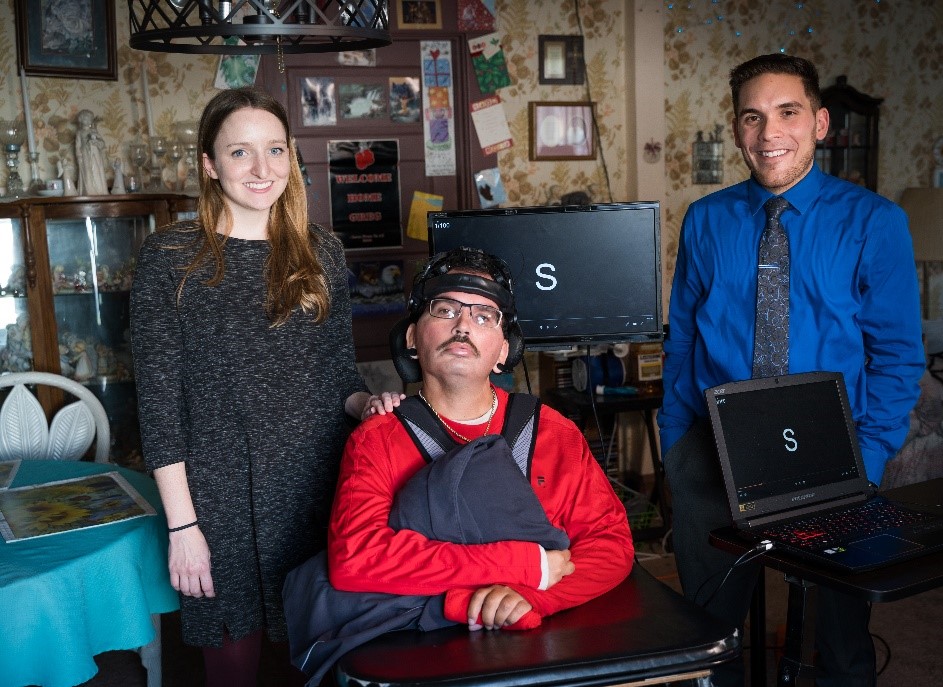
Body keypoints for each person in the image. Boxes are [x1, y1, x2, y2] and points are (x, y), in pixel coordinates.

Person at [658, 54, 925, 687]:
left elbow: (897, 356)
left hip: (834, 452)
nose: (769, 132)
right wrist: (675, 445)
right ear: (736, 129)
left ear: (821, 122)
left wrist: (872, 454)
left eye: (788, 112)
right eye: (753, 116)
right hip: (715, 445)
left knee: (841, 637)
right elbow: (683, 341)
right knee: (708, 631)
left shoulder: (875, 223)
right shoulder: (706, 221)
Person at [130, 86, 403, 687]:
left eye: (275, 150)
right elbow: (158, 406)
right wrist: (183, 529)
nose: (262, 170)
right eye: (240, 153)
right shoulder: (171, 257)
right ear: (209, 164)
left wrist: (370, 404)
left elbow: (339, 379)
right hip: (218, 504)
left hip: (319, 490)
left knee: (329, 663)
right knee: (234, 671)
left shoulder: (322, 251)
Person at [326, 247, 635, 638]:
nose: (463, 326)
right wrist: (523, 565)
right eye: (445, 310)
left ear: (505, 350)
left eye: (483, 316)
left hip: (546, 636)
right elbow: (355, 559)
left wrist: (530, 597)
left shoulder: (554, 433)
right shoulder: (376, 439)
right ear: (411, 338)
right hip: (424, 649)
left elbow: (610, 544)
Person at [74, 109, 108, 195]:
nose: (88, 120)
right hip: (85, 155)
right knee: (87, 171)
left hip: (95, 154)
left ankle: (100, 190)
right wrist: (79, 156)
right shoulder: (79, 132)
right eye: (85, 118)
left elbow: (102, 143)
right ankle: (89, 190)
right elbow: (77, 146)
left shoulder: (94, 131)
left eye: (90, 118)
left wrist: (96, 142)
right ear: (81, 119)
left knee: (96, 170)